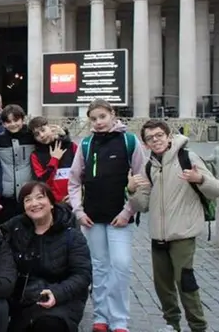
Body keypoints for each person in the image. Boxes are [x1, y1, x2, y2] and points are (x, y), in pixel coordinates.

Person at [135, 119, 219, 332]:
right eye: (150, 138)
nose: (155, 140)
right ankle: (171, 325)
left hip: (183, 233)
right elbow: (143, 206)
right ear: (145, 144)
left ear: (168, 136)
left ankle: (198, 326)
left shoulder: (187, 157)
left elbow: (217, 190)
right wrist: (131, 190)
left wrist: (199, 178)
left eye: (159, 135)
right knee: (162, 286)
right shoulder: (149, 166)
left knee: (185, 283)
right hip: (158, 235)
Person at [68, 98, 146, 332]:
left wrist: (127, 211)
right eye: (93, 119)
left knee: (120, 266)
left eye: (102, 117)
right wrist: (78, 211)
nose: (99, 122)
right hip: (91, 218)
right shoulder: (86, 144)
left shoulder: (129, 141)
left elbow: (141, 179)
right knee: (98, 268)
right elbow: (74, 181)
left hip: (119, 218)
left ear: (112, 114)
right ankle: (100, 317)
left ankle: (120, 320)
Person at [0, 182, 92, 331]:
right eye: (28, 199)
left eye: (39, 197)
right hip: (25, 299)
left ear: (51, 203)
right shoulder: (16, 227)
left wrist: (57, 293)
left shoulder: (72, 235)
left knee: (48, 324)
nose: (34, 203)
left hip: (61, 300)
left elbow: (83, 275)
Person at [28, 117, 77, 203]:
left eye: (43, 130)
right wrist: (54, 159)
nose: (41, 136)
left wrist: (76, 195)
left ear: (50, 127)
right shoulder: (35, 155)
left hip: (74, 199)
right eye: (37, 134)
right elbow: (42, 182)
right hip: (52, 203)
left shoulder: (71, 146)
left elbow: (82, 173)